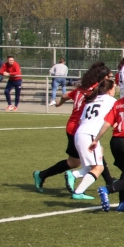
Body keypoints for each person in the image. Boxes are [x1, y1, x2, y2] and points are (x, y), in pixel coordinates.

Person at [35, 62, 112, 193]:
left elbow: (65, 96)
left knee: (75, 161)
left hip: (74, 126)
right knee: (94, 155)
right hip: (80, 127)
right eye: (109, 77)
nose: (110, 79)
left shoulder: (83, 88)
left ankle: (42, 175)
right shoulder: (94, 91)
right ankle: (108, 182)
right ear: (102, 77)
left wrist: (59, 103)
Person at [87, 74, 124, 212]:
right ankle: (107, 190)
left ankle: (122, 203)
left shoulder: (118, 103)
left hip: (115, 142)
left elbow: (107, 123)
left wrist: (96, 140)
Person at [70, 78, 119, 209]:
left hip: (80, 133)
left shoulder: (91, 100)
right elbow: (115, 117)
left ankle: (74, 175)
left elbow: (81, 121)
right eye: (114, 88)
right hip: (89, 135)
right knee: (98, 168)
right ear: (110, 90)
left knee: (93, 165)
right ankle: (78, 192)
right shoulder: (111, 100)